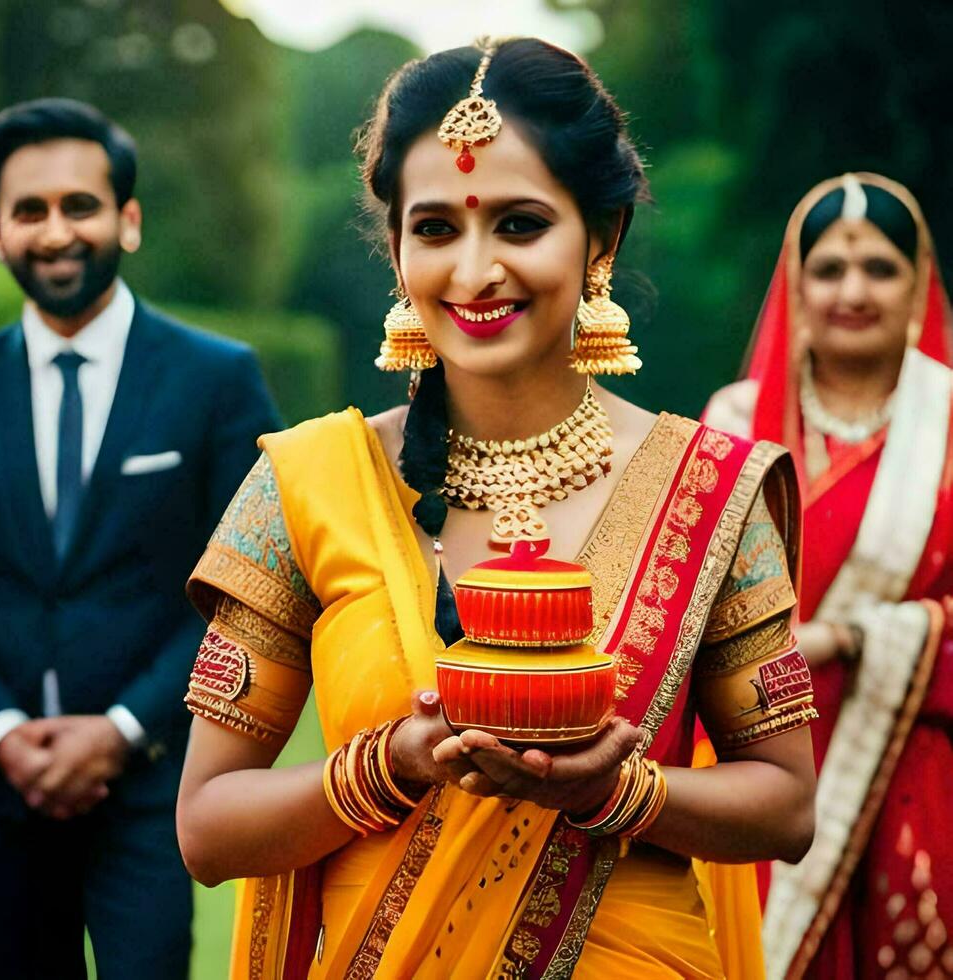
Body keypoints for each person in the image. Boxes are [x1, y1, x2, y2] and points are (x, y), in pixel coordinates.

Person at [176, 38, 819, 979]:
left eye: (519, 224)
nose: (474, 273)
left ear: (601, 236)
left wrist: (619, 793)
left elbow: (786, 806)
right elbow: (208, 827)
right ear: (395, 249)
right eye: (434, 229)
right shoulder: (306, 483)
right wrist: (391, 764)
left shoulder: (707, 488)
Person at [0, 97, 281, 978]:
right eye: (29, 211)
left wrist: (119, 730)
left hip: (151, 785)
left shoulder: (216, 379)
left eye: (80, 205)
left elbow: (248, 589)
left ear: (129, 219)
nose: (56, 231)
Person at [704, 173, 953, 980]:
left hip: (912, 767)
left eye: (879, 268)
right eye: (831, 269)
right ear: (795, 284)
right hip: (753, 763)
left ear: (918, 281)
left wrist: (854, 638)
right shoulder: (736, 423)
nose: (854, 290)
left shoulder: (946, 425)